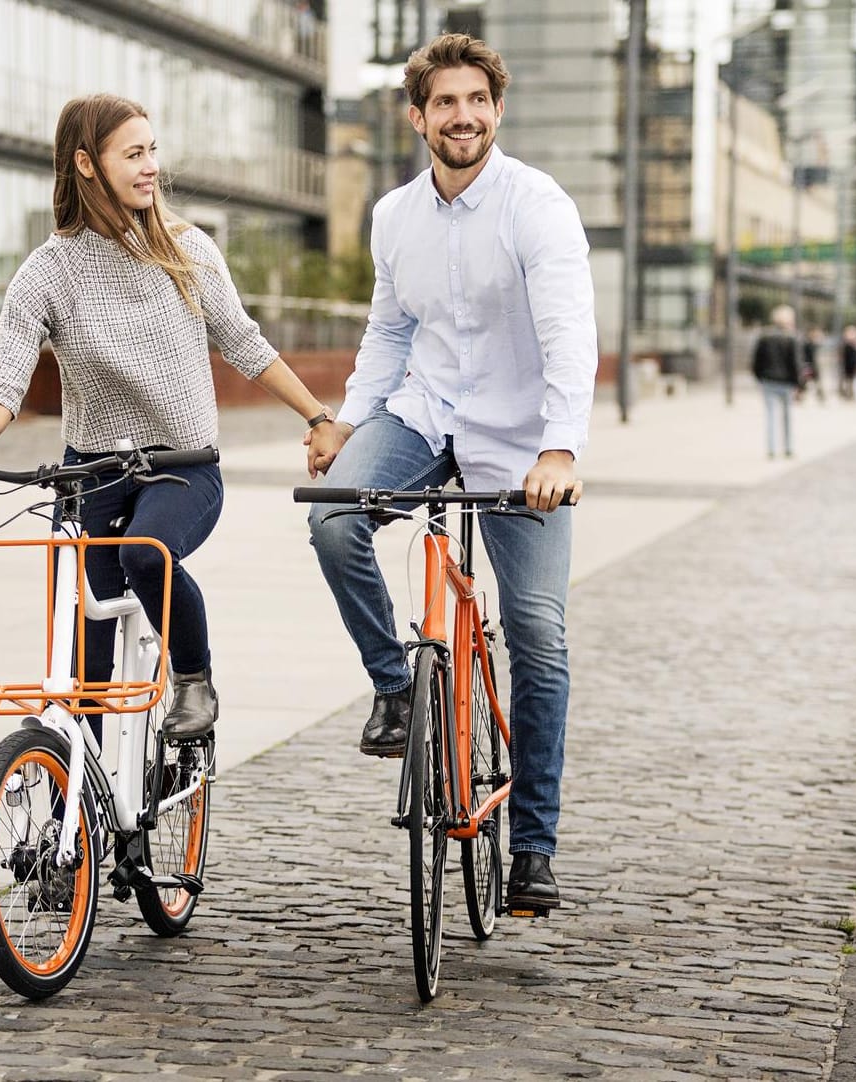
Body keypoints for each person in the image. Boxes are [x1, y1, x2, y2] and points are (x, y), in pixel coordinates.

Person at [0, 93, 335, 743]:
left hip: (181, 468)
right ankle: (75, 818)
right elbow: (3, 381)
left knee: (145, 556)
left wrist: (318, 416)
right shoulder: (45, 273)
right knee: (83, 662)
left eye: (152, 152)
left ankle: (194, 682)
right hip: (89, 473)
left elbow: (244, 343)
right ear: (86, 165)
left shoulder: (187, 250)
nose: (150, 168)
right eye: (133, 154)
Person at [302, 33, 596, 917]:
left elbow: (566, 336)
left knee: (538, 634)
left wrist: (559, 448)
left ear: (496, 110)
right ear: (417, 116)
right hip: (425, 413)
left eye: (476, 101)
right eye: (444, 103)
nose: (461, 116)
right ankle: (396, 690)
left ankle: (533, 849)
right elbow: (388, 332)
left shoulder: (536, 206)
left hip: (519, 440)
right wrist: (350, 421)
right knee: (331, 517)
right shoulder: (394, 216)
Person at [751, 304, 802, 458]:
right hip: (786, 382)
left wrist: (760, 377)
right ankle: (788, 448)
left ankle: (771, 449)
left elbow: (756, 361)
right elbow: (796, 363)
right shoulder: (791, 338)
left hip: (768, 381)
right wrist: (798, 383)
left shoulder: (764, 337)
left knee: (770, 415)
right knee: (787, 416)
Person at [800, 327, 825, 403]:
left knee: (815, 382)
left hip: (812, 366)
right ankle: (800, 395)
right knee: (805, 381)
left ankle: (821, 396)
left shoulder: (811, 344)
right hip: (809, 366)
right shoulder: (808, 344)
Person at [839, 324, 856, 400]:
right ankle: (848, 395)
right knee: (847, 381)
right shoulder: (845, 345)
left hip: (855, 366)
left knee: (855, 381)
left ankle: (853, 395)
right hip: (847, 366)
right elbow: (841, 356)